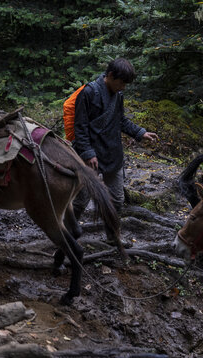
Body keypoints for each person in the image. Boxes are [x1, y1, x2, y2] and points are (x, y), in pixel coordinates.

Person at [72, 58, 159, 236]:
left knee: (117, 200)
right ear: (110, 75)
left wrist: (140, 133)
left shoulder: (118, 95)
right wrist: (88, 153)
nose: (123, 87)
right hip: (90, 158)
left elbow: (120, 120)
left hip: (113, 154)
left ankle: (112, 238)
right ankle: (67, 234)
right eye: (121, 83)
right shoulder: (88, 93)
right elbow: (80, 128)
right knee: (80, 201)